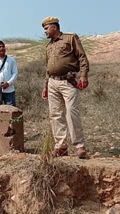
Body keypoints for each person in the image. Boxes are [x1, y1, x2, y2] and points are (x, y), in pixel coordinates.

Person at [41, 16, 90, 158]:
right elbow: (47, 67)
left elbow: (82, 58)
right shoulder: (48, 46)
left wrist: (83, 75)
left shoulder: (70, 38)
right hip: (52, 82)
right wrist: (45, 86)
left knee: (71, 113)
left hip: (68, 81)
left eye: (46, 28)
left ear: (54, 27)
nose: (45, 31)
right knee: (55, 115)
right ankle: (60, 146)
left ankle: (79, 146)